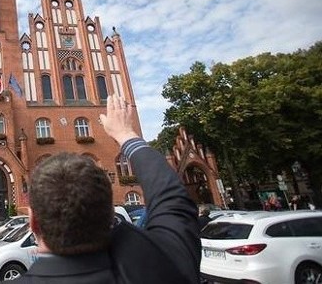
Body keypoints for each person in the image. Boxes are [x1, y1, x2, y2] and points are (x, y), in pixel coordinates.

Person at [10, 94, 201, 283]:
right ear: (111, 213)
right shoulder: (167, 267)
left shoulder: (172, 262)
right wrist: (126, 134)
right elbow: (172, 199)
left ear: (33, 222)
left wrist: (127, 137)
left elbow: (172, 198)